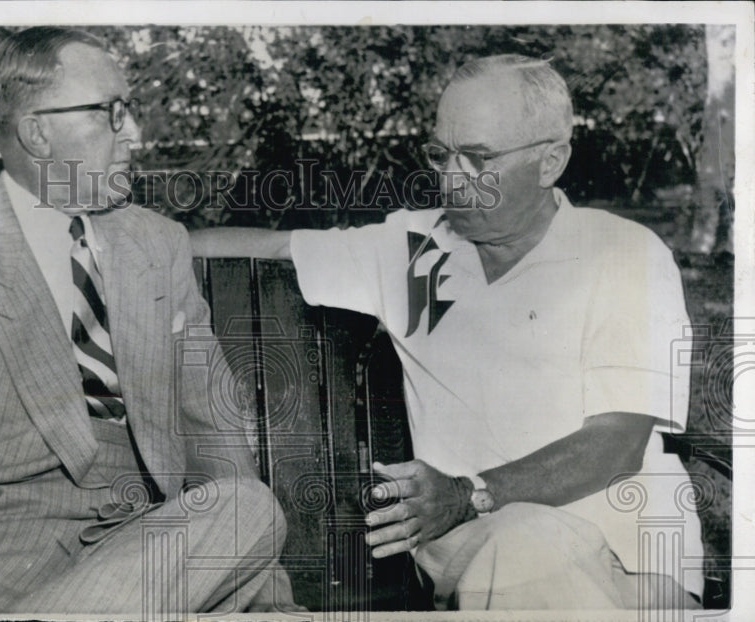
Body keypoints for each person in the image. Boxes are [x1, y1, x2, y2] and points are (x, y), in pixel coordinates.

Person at [191, 54, 703, 610]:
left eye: (478, 158)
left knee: (527, 546)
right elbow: (268, 247)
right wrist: (109, 237)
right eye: (440, 154)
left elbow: (616, 443)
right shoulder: (415, 251)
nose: (450, 178)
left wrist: (468, 494)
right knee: (518, 546)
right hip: (481, 556)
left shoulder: (621, 253)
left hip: (630, 563)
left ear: (550, 160)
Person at [0, 27, 293, 617]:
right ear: (37, 131)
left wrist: (268, 593)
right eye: (111, 113)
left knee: (245, 508)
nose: (135, 133)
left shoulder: (158, 245)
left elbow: (214, 432)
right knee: (243, 516)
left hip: (149, 553)